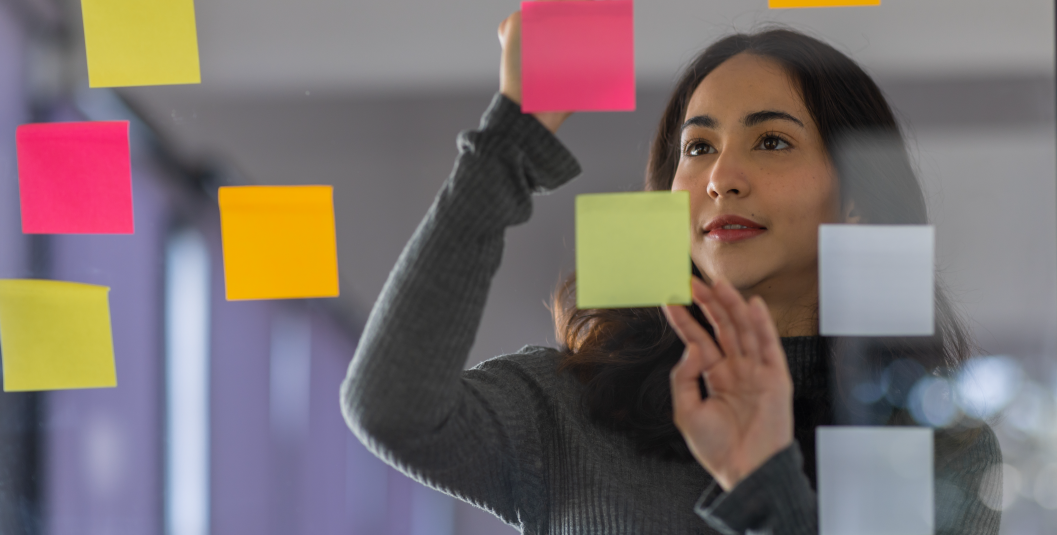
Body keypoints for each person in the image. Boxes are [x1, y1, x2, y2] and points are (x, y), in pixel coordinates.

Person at [342, 9, 1001, 534]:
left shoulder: (935, 445)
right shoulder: (570, 405)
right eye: (698, 147)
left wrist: (765, 485)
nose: (720, 178)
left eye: (771, 140)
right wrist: (509, 139)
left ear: (855, 195)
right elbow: (391, 409)